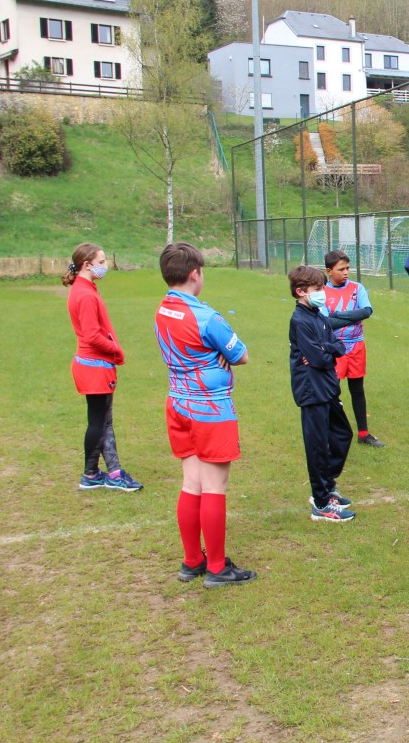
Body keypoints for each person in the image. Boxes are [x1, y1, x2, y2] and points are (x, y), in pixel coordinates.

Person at [155, 243, 256, 588]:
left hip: (178, 404)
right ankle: (216, 567)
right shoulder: (205, 316)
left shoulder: (162, 309)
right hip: (209, 408)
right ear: (195, 274)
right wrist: (218, 354)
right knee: (214, 486)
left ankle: (192, 560)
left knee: (191, 482)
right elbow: (240, 355)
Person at [63, 243, 142, 493]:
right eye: (101, 261)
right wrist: (117, 350)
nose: (105, 266)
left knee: (101, 421)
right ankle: (100, 474)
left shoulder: (84, 289)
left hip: (93, 365)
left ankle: (96, 474)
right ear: (87, 265)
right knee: (100, 422)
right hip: (94, 366)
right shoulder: (85, 294)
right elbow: (91, 336)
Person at [288, 265, 355, 522]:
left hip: (327, 385)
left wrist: (326, 349)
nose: (322, 293)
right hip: (311, 390)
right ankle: (321, 502)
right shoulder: (300, 320)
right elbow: (317, 358)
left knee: (342, 433)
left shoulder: (318, 315)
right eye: (317, 289)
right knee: (317, 446)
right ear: (301, 292)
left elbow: (338, 346)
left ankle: (327, 485)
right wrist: (326, 353)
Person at [322, 250, 385, 447]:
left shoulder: (358, 288)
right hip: (335, 349)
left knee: (357, 390)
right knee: (332, 391)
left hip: (357, 346)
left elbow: (366, 311)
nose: (346, 272)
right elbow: (326, 323)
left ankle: (363, 434)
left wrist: (339, 314)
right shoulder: (322, 292)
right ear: (329, 271)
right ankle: (332, 433)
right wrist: (351, 315)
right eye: (341, 269)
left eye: (348, 268)